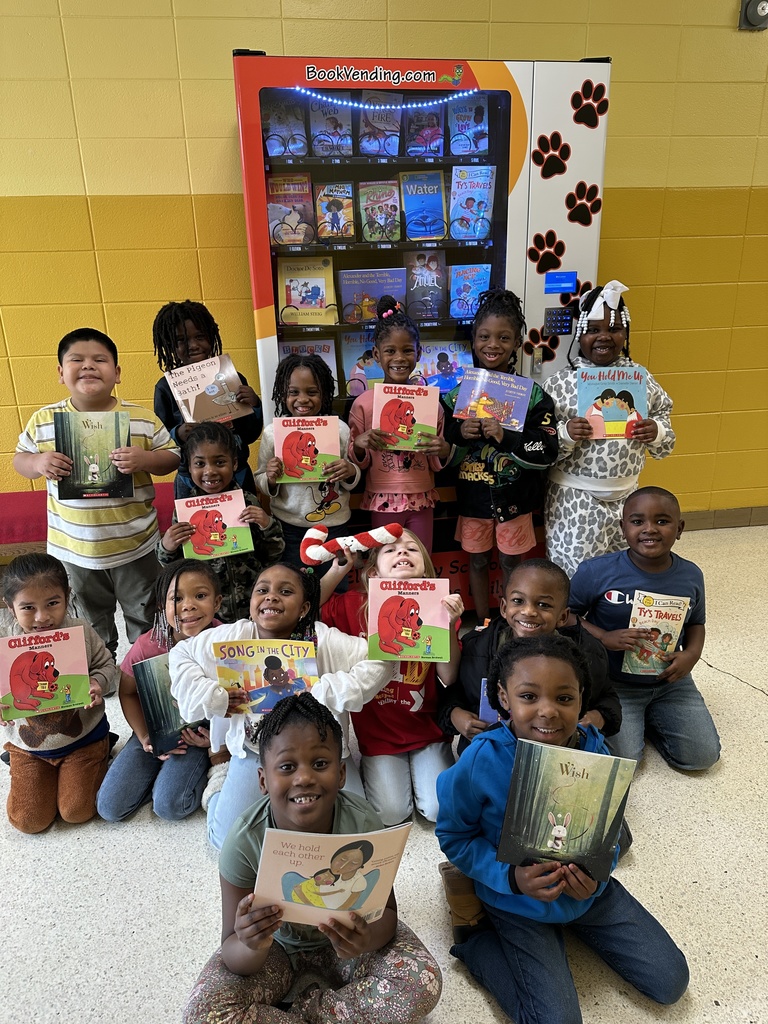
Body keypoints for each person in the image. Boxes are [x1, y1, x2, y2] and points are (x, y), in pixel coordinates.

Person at [436, 634, 689, 1023]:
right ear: (503, 697)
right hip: (515, 899)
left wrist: (599, 877)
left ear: (582, 697)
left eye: (564, 698)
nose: (548, 711)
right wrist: (512, 879)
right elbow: (454, 836)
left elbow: (609, 828)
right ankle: (477, 943)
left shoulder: (596, 750)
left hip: (588, 893)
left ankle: (575, 923)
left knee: (671, 982)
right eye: (528, 697)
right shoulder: (481, 761)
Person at [182, 693, 442, 1024]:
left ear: (342, 773)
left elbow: (387, 914)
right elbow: (233, 952)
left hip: (346, 942)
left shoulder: (362, 824)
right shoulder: (244, 840)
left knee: (423, 983)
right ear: (263, 780)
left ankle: (307, 1012)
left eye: (320, 763)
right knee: (203, 1015)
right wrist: (251, 943)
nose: (304, 777)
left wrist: (366, 939)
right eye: (287, 767)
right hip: (276, 952)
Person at [168, 563, 394, 849]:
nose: (271, 597)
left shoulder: (321, 638)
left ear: (303, 608)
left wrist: (324, 693)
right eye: (262, 590)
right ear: (251, 603)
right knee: (224, 842)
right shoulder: (234, 635)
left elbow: (382, 657)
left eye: (285, 592)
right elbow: (181, 654)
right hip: (255, 751)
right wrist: (213, 696)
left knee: (358, 836)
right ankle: (219, 782)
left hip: (320, 752)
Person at [14, 327, 181, 659]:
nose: (88, 366)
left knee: (146, 613)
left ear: (117, 373)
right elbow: (20, 460)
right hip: (75, 549)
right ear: (61, 373)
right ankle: (101, 669)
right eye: (77, 360)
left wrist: (146, 459)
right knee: (90, 620)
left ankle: (147, 667)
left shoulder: (141, 419)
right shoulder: (45, 420)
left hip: (136, 544)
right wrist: (39, 462)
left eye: (100, 360)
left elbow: (173, 456)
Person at [569, 486, 720, 771]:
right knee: (624, 763)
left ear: (680, 528)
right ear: (623, 527)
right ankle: (639, 722)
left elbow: (696, 621)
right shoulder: (596, 571)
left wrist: (692, 655)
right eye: (638, 521)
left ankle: (651, 719)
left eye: (662, 521)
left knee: (701, 758)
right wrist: (603, 636)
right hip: (615, 683)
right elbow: (566, 616)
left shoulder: (690, 574)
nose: (650, 529)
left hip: (670, 682)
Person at [320, 529, 463, 825]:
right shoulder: (353, 605)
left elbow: (448, 678)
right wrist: (339, 568)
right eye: (391, 551)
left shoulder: (439, 606)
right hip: (378, 735)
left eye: (412, 549)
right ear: (373, 572)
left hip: (427, 731)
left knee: (439, 810)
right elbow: (307, 606)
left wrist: (448, 626)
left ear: (425, 565)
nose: (402, 553)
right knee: (391, 813)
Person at [544, 281, 675, 577]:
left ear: (625, 333)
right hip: (574, 500)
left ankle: (614, 623)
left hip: (629, 501)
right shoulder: (558, 385)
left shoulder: (641, 380)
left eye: (614, 329)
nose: (604, 337)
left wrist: (656, 431)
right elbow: (540, 443)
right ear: (580, 334)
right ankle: (573, 624)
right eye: (593, 330)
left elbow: (666, 427)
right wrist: (565, 433)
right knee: (575, 573)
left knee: (626, 572)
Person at [442, 289, 558, 621]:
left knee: (511, 563)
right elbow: (441, 438)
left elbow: (547, 447)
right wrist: (458, 433)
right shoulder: (458, 393)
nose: (493, 344)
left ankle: (511, 623)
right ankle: (482, 623)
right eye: (485, 336)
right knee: (476, 560)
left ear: (518, 342)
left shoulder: (532, 395)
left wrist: (505, 436)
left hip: (515, 503)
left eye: (504, 337)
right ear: (474, 342)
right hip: (473, 500)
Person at [439, 558, 621, 755]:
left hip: (558, 750)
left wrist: (598, 717)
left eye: (543, 604)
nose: (529, 611)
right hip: (491, 750)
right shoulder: (476, 647)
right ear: (503, 607)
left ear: (562, 617)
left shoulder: (586, 653)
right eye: (518, 601)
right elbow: (454, 691)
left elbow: (607, 696)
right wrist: (455, 715)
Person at [96, 560, 226, 823]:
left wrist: (214, 741)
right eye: (176, 598)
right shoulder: (148, 645)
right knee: (110, 808)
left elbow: (243, 700)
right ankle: (156, 777)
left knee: (171, 807)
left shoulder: (229, 642)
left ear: (218, 602)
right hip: (153, 731)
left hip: (200, 738)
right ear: (161, 607)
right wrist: (144, 736)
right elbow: (128, 693)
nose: (188, 605)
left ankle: (177, 779)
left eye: (200, 596)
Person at [0, 554, 119, 833]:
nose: (42, 617)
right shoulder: (5, 642)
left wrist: (97, 683)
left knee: (77, 811)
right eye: (28, 607)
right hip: (29, 747)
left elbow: (107, 664)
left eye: (52, 603)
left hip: (82, 739)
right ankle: (23, 766)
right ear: (10, 607)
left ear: (67, 596)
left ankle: (102, 751)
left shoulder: (79, 630)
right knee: (29, 821)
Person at [348, 296, 453, 551]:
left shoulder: (431, 405)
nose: (399, 358)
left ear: (418, 352)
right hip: (382, 497)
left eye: (407, 350)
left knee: (420, 559)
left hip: (422, 496)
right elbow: (355, 459)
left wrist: (443, 449)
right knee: (385, 561)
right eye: (390, 351)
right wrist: (359, 445)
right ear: (376, 354)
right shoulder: (363, 404)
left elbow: (437, 459)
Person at [156, 422, 284, 621]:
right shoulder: (184, 511)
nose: (210, 471)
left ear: (234, 464)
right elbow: (173, 568)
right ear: (189, 467)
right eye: (200, 464)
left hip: (253, 606)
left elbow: (271, 556)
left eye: (219, 462)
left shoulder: (247, 501)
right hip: (209, 615)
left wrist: (267, 524)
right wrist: (167, 546)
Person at [256, 354, 359, 581]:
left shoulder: (340, 430)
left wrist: (350, 471)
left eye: (311, 392)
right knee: (295, 584)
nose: (302, 399)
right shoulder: (273, 433)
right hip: (290, 526)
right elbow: (260, 478)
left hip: (334, 525)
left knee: (335, 583)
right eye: (294, 392)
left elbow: (353, 474)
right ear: (283, 394)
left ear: (324, 394)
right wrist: (270, 478)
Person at [152, 299, 263, 498]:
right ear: (169, 345)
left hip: (237, 473)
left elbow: (250, 435)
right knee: (195, 527)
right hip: (191, 479)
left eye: (200, 336)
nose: (193, 345)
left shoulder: (232, 379)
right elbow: (160, 441)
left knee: (247, 525)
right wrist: (179, 433)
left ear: (212, 336)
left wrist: (255, 404)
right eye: (181, 340)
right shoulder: (165, 388)